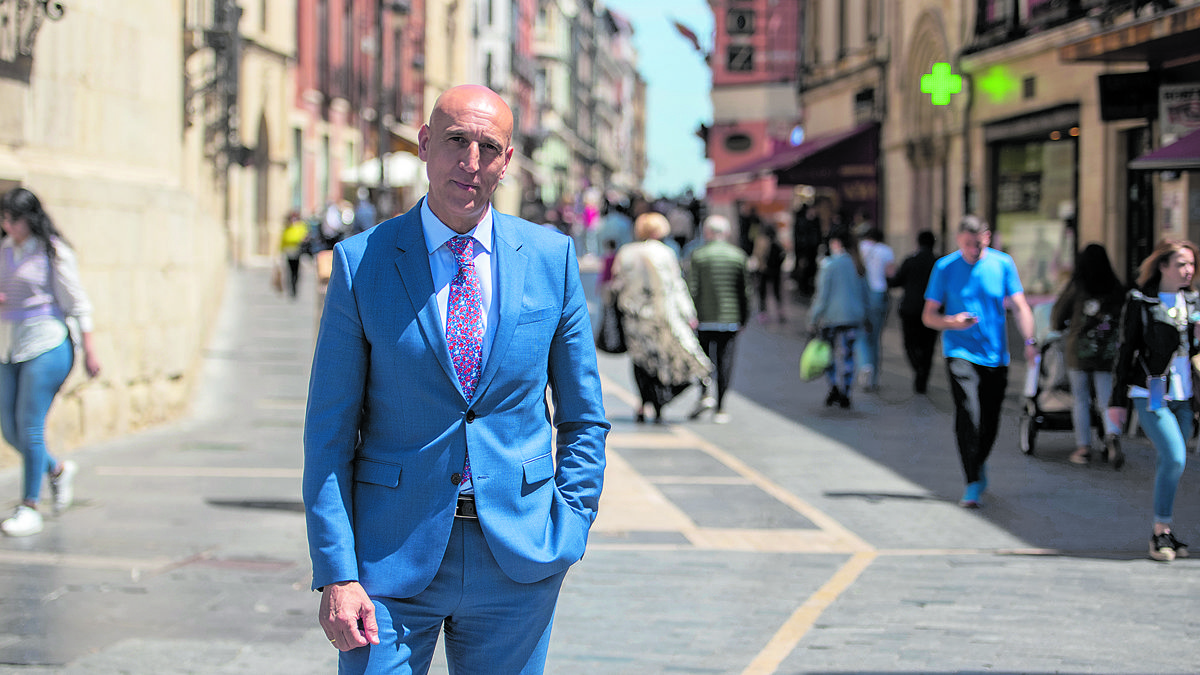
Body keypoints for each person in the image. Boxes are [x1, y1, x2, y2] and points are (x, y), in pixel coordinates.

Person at [302, 85, 609, 673]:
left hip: (517, 558)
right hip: (389, 559)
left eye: (488, 147)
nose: (471, 162)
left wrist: (569, 524)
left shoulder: (551, 258)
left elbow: (583, 415)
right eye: (456, 141)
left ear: (508, 160)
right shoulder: (362, 261)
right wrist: (336, 570)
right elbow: (329, 431)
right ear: (424, 145)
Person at [0, 188, 101, 537]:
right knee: (8, 428)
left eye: (13, 218)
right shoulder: (5, 250)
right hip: (10, 344)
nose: (7, 224)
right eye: (4, 218)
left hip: (47, 342)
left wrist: (89, 349)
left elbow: (78, 302)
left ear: (30, 218)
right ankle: (56, 470)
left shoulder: (53, 251)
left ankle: (29, 505)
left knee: (29, 426)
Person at [922, 215, 1036, 508]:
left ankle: (979, 460)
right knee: (968, 413)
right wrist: (952, 321)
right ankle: (972, 480)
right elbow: (928, 315)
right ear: (959, 240)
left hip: (995, 355)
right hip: (959, 351)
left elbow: (1020, 305)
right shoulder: (944, 267)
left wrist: (1030, 342)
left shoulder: (1002, 264)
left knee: (990, 419)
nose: (973, 249)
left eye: (978, 244)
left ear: (987, 238)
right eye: (967, 244)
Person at [1107, 239, 1200, 562]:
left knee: (1172, 463)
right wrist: (1116, 401)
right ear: (1163, 266)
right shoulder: (1141, 301)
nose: (1188, 270)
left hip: (1186, 396)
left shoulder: (1194, 302)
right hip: (1150, 393)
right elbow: (1125, 350)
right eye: (1181, 264)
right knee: (1174, 457)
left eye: (1191, 264)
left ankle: (1167, 532)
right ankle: (1160, 530)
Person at [611, 211, 712, 424]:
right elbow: (675, 285)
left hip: (635, 318)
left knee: (640, 361)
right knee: (663, 360)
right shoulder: (665, 252)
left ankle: (642, 403)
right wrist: (688, 313)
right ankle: (659, 404)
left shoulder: (626, 252)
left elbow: (616, 284)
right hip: (663, 317)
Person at [1050, 243, 1126, 466]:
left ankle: (1083, 448)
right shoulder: (1116, 287)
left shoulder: (1077, 286)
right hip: (1107, 352)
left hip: (1079, 350)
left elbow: (1057, 317)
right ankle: (1112, 437)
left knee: (1080, 399)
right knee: (1105, 399)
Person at [686, 214, 752, 424]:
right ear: (726, 233)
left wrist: (691, 315)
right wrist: (744, 318)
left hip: (704, 319)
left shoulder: (699, 255)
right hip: (730, 319)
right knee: (726, 362)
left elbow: (692, 288)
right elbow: (745, 292)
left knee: (704, 360)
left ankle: (705, 393)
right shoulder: (738, 256)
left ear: (708, 232)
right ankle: (721, 407)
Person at [806, 226, 868, 408]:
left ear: (835, 243)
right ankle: (847, 391)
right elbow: (865, 293)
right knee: (848, 355)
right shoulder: (857, 264)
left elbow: (821, 296)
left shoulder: (829, 265)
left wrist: (812, 319)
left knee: (829, 354)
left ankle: (834, 386)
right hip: (853, 317)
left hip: (831, 319)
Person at [889, 230, 939, 394]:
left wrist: (888, 275)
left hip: (910, 310)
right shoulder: (938, 262)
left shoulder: (911, 261)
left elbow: (896, 282)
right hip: (932, 311)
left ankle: (918, 369)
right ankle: (922, 377)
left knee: (910, 344)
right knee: (928, 347)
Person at [856, 227, 895, 391]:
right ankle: (874, 378)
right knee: (876, 338)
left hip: (862, 295)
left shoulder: (860, 247)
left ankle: (865, 364)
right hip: (879, 295)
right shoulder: (886, 250)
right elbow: (891, 273)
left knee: (862, 334)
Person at [751, 217, 787, 323]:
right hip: (775, 271)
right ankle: (780, 312)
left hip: (763, 271)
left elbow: (757, 255)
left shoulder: (761, 241)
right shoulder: (778, 242)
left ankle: (763, 313)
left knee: (762, 293)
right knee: (777, 292)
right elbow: (783, 255)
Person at [280, 212, 309, 298]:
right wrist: (281, 251)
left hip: (297, 251)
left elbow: (304, 236)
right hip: (289, 251)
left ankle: (295, 286)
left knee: (296, 271)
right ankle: (291, 287)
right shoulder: (287, 228)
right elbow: (283, 240)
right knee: (289, 270)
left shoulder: (300, 226)